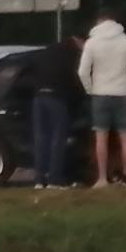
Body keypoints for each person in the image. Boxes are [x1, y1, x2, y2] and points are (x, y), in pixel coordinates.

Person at [78, 9, 126, 189]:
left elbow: (83, 71)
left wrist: (90, 89)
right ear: (115, 21)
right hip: (122, 93)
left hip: (100, 94)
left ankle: (101, 179)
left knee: (101, 137)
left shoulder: (92, 42)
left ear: (99, 21)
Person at [30, 35, 86, 190]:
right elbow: (75, 79)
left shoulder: (49, 50)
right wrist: (79, 97)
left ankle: (39, 179)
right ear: (79, 41)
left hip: (39, 97)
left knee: (41, 138)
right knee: (58, 139)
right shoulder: (73, 54)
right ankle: (55, 179)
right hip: (56, 97)